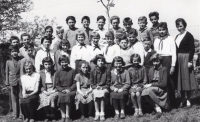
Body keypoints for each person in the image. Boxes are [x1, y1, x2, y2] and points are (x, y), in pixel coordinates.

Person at [175, 18, 198, 107]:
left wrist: (190, 61)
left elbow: (192, 49)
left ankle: (188, 99)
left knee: (186, 79)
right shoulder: (177, 36)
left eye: (180, 26)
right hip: (178, 59)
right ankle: (182, 99)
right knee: (180, 79)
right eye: (177, 26)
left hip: (185, 58)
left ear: (184, 25)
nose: (179, 28)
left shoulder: (189, 35)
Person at [154, 22, 176, 108]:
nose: (162, 31)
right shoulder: (156, 40)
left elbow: (174, 53)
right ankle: (163, 102)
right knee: (161, 80)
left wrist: (173, 65)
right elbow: (156, 52)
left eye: (163, 30)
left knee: (169, 80)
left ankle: (172, 102)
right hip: (159, 60)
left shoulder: (170, 39)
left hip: (167, 59)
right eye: (160, 30)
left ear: (167, 30)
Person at [55, 55, 76, 122]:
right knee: (61, 96)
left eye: (66, 62)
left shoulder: (72, 71)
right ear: (60, 63)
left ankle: (67, 116)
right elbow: (57, 85)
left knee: (67, 96)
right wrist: (62, 90)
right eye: (62, 62)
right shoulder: (58, 72)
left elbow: (75, 83)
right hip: (61, 90)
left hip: (71, 90)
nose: (64, 64)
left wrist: (69, 89)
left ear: (68, 62)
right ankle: (63, 115)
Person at [90, 54, 110, 121]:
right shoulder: (93, 70)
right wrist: (95, 87)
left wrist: (103, 87)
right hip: (95, 88)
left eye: (102, 61)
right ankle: (97, 113)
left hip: (104, 88)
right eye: (99, 61)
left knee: (102, 94)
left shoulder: (107, 70)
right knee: (96, 93)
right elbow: (91, 82)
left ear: (104, 62)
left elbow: (108, 82)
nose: (100, 62)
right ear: (96, 62)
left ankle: (102, 113)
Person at [37, 57, 58, 122]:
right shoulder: (41, 73)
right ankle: (47, 114)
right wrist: (45, 91)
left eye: (49, 64)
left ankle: (53, 114)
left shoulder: (55, 72)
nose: (47, 66)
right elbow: (40, 85)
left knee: (51, 98)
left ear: (52, 64)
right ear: (43, 65)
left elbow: (58, 84)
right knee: (43, 97)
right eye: (46, 64)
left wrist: (53, 91)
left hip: (53, 89)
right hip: (45, 89)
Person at [5, 45, 22, 119]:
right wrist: (7, 83)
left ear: (18, 52)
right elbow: (6, 72)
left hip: (20, 81)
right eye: (12, 51)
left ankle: (21, 114)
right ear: (10, 53)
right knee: (14, 98)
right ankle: (15, 114)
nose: (14, 53)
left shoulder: (21, 61)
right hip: (12, 81)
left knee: (20, 97)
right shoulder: (8, 62)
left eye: (16, 51)